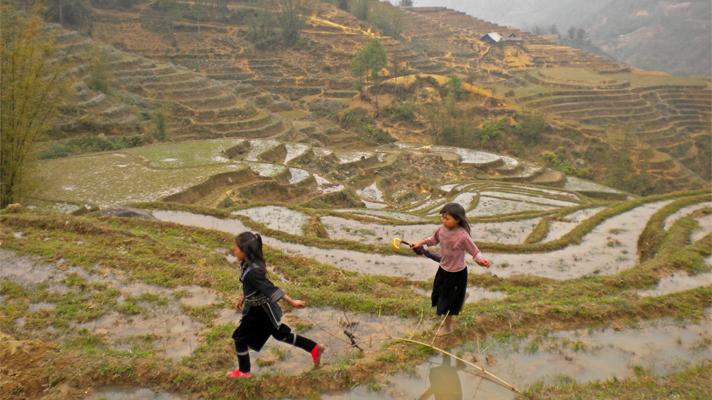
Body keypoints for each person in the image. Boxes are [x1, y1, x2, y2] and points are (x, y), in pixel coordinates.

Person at [227, 231, 325, 378]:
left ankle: (244, 372)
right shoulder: (248, 264)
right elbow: (252, 286)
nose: (234, 251)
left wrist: (291, 301)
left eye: (236, 248)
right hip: (260, 309)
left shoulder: (253, 271)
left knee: (240, 338)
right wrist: (243, 297)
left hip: (260, 312)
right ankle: (314, 348)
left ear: (245, 251)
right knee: (280, 335)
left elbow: (269, 288)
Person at [411, 203, 490, 336]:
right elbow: (433, 240)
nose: (443, 220)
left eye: (447, 218)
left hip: (457, 273)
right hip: (443, 270)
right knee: (439, 295)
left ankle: (448, 328)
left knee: (446, 303)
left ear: (457, 220)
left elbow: (475, 252)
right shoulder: (441, 230)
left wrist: (481, 260)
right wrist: (420, 243)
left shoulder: (463, 236)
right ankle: (461, 297)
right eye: (443, 217)